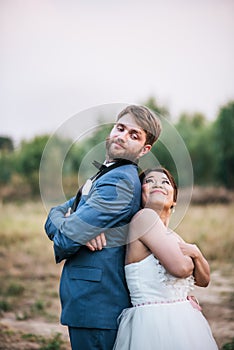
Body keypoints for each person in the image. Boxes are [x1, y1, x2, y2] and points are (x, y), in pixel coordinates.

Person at [44, 105, 162, 349]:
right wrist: (73, 225)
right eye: (120, 128)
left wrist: (72, 227)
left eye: (134, 135)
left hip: (97, 304)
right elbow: (53, 215)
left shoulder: (119, 182)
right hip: (91, 303)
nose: (122, 136)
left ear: (144, 149)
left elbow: (64, 239)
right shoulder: (106, 175)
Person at [113, 167, 218, 350]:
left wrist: (196, 252)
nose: (157, 184)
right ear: (140, 194)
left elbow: (204, 280)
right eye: (149, 181)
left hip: (183, 320)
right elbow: (181, 269)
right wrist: (192, 257)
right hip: (154, 323)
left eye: (165, 182)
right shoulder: (144, 218)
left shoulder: (172, 235)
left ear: (174, 200)